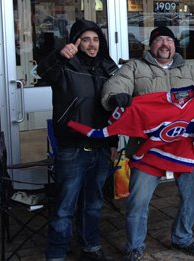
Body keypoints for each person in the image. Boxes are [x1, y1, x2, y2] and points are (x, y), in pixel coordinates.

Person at [101, 25, 194, 260]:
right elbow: (115, 85)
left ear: (174, 46)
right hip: (148, 147)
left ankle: (182, 237)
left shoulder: (189, 69)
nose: (164, 44)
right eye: (159, 40)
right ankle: (135, 246)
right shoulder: (134, 67)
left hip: (185, 145)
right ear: (151, 45)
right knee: (138, 200)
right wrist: (114, 98)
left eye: (168, 40)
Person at [38, 18, 118, 261]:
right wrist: (59, 56)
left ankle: (90, 247)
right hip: (72, 148)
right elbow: (42, 72)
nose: (91, 44)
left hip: (101, 147)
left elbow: (115, 109)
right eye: (86, 39)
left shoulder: (108, 67)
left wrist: (114, 142)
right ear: (76, 41)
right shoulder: (65, 64)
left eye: (95, 39)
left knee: (93, 204)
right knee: (64, 208)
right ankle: (56, 254)